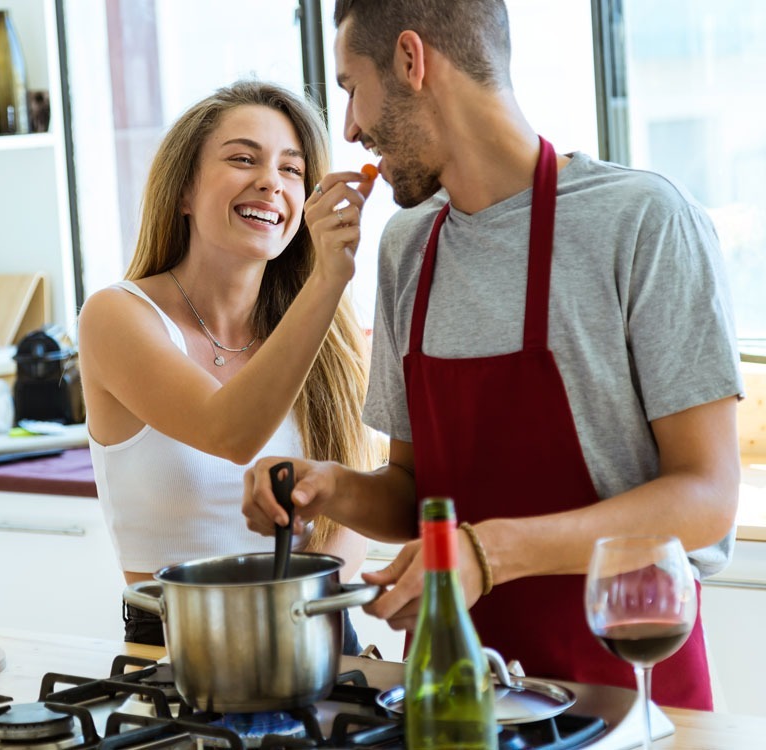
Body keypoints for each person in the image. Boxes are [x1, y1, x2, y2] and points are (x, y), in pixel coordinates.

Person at [241, 0, 743, 710]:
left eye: (351, 88)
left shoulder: (641, 221)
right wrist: (333, 488)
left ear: (412, 61)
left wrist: (488, 553)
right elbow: (417, 493)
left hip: (625, 690)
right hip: (456, 695)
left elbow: (707, 498)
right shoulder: (407, 247)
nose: (350, 128)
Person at [78, 80, 382, 655]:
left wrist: (314, 633)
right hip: (175, 652)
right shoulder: (116, 317)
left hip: (316, 637)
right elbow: (231, 433)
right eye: (243, 159)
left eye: (292, 170)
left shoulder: (334, 337)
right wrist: (328, 279)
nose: (271, 181)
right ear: (185, 191)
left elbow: (351, 514)